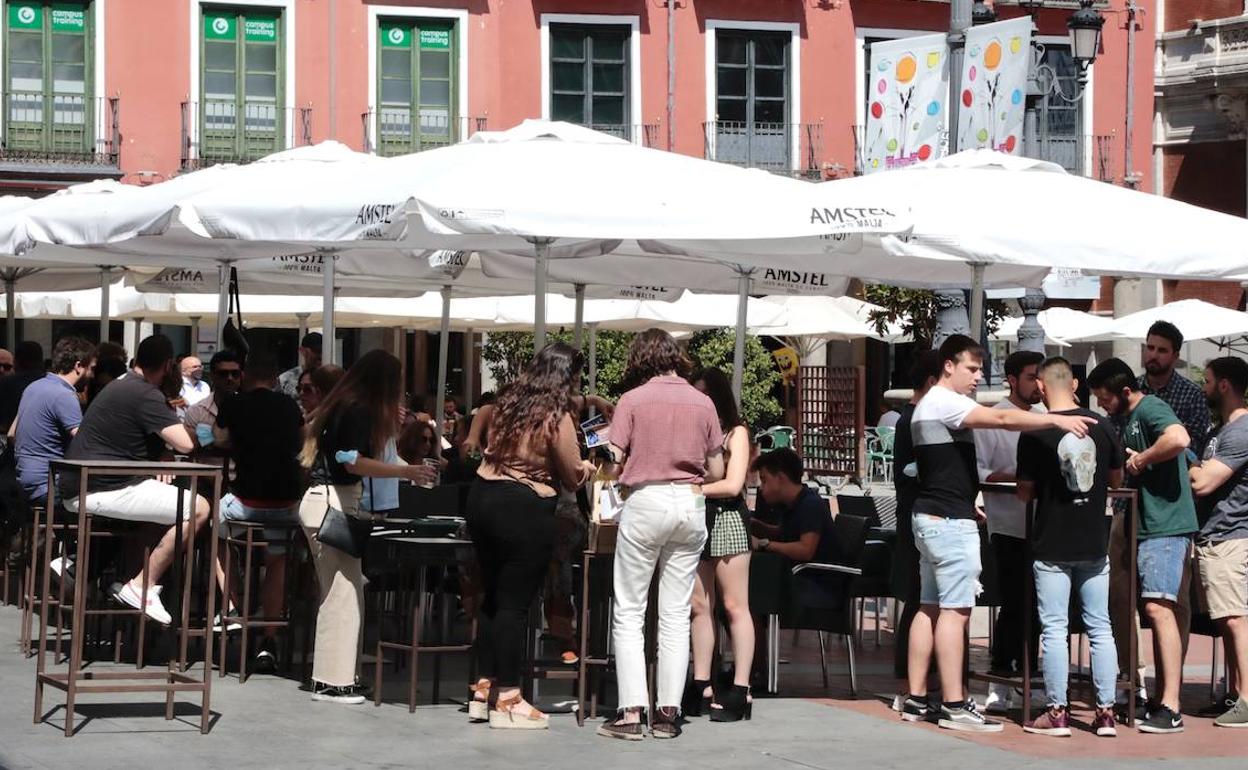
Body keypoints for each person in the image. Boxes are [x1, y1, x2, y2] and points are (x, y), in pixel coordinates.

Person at [900, 334, 1096, 733]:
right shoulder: (947, 402)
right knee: (955, 611)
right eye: (971, 369)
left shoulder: (924, 407)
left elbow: (936, 467)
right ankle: (955, 704)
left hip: (931, 515)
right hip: (949, 523)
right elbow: (1004, 418)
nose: (977, 378)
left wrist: (965, 493)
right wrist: (1054, 419)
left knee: (929, 606)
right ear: (948, 365)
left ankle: (917, 698)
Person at [598, 329, 725, 741]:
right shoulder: (703, 401)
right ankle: (668, 712)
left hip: (646, 500)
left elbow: (613, 462)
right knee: (675, 612)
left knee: (631, 609)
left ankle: (631, 710)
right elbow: (718, 471)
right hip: (690, 504)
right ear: (675, 357)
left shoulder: (632, 401)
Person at [467, 343, 594, 730]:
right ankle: (509, 698)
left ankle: (483, 689)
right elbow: (571, 474)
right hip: (523, 505)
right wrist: (587, 467)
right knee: (514, 605)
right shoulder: (557, 414)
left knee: (492, 597)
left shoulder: (508, 402)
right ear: (566, 376)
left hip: (482, 495)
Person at [298, 350, 434, 704]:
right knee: (342, 594)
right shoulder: (357, 410)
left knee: (345, 591)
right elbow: (353, 463)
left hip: (327, 502)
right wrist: (406, 471)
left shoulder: (346, 406)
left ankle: (339, 677)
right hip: (334, 503)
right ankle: (333, 681)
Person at [61, 335, 216, 626]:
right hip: (100, 487)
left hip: (83, 483)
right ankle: (142, 586)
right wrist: (210, 434)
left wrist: (160, 455)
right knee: (199, 509)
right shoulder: (144, 392)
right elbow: (185, 443)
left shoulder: (120, 384)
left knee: (160, 513)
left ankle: (123, 579)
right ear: (169, 365)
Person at [1088, 357, 1198, 734]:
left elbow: (1180, 438)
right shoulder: (1129, 417)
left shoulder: (1151, 406)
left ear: (1123, 392)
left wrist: (1143, 461)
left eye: (1104, 399)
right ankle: (1154, 697)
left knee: (1159, 607)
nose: (1102, 405)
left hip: (1164, 527)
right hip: (1142, 523)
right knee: (1152, 606)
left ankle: (1171, 705)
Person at [1016, 357, 1124, 738]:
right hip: (1094, 540)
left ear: (1042, 388)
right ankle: (1106, 712)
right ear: (1075, 384)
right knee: (1100, 627)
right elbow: (1115, 478)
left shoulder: (1034, 431)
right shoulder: (1104, 426)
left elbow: (1024, 492)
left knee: (1055, 629)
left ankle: (1057, 712)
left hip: (1051, 542)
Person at [212, 354, 307, 674]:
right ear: (275, 380)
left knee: (214, 527)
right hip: (284, 504)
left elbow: (219, 437)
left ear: (245, 378)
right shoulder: (291, 407)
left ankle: (232, 605)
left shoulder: (235, 404)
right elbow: (302, 443)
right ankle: (269, 637)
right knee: (276, 561)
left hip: (245, 502)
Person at [973, 350, 1045, 714]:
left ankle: (1031, 676)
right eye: (1032, 377)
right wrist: (1018, 478)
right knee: (1014, 601)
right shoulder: (992, 418)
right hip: (1006, 523)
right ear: (1013, 380)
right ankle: (1002, 674)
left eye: (1042, 377)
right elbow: (982, 471)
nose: (1039, 384)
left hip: (1043, 525)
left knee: (1039, 604)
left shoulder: (1049, 417)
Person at [686, 367, 754, 722]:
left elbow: (733, 484)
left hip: (726, 516)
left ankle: (741, 688)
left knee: (733, 605)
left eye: (705, 394)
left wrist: (696, 489)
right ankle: (701, 684)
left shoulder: (736, 433)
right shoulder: (694, 431)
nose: (700, 401)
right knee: (700, 604)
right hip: (699, 519)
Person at [1188, 356, 1248, 728]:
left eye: (1207, 381)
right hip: (1214, 536)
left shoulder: (1240, 431)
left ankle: (1246, 698)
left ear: (1224, 385)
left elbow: (1204, 482)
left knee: (1236, 619)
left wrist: (1187, 461)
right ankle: (1233, 692)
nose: (1203, 387)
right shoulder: (1218, 432)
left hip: (1232, 538)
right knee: (1226, 621)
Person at [891, 350, 944, 683]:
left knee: (920, 596)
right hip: (920, 516)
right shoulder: (914, 420)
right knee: (921, 597)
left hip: (914, 515)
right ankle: (913, 665)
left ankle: (912, 664)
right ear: (932, 382)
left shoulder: (908, 418)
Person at [751, 447, 845, 605]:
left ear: (781, 478)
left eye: (764, 480)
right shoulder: (791, 504)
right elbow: (787, 533)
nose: (761, 487)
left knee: (752, 586)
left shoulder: (810, 504)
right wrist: (759, 527)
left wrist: (764, 544)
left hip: (818, 585)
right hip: (800, 576)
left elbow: (805, 550)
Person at [14, 337, 95, 507]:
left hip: (24, 481)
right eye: (91, 368)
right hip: (48, 485)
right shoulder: (63, 395)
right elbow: (85, 443)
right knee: (114, 493)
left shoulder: (33, 387)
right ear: (78, 366)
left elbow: (11, 435)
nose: (92, 375)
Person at [1140, 321, 1210, 455]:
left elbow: (1195, 446)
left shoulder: (1193, 395)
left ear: (1175, 356)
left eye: (1162, 350)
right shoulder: (1132, 389)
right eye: (1150, 347)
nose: (1153, 355)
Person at [182, 351, 242, 464]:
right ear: (212, 376)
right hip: (205, 477)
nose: (230, 378)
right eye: (223, 374)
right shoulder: (196, 411)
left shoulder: (250, 409)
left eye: (235, 373)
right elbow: (192, 450)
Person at [0, 341, 46, 434]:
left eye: (7, 367)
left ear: (15, 364)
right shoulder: (53, 385)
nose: (1, 370)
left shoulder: (6, 384)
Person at [278, 332, 323, 400]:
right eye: (317, 351)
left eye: (323, 351)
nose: (320, 355)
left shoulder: (330, 377)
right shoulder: (285, 379)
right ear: (302, 350)